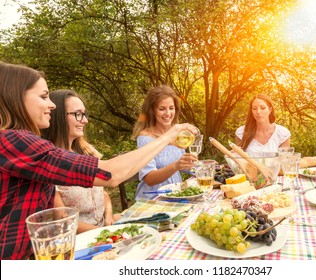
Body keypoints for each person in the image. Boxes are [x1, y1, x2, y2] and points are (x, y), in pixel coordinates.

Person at [0, 61, 198, 259]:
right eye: (43, 96)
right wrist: (167, 137)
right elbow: (110, 175)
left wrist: (111, 219)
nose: (51, 104)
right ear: (15, 98)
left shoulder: (29, 145)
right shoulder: (13, 141)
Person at [40, 89, 121, 233]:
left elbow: (102, 193)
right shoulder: (49, 161)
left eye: (84, 114)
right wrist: (107, 233)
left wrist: (108, 215)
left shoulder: (87, 151)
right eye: (77, 114)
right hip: (78, 242)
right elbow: (63, 218)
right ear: (58, 117)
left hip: (103, 230)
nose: (85, 120)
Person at [131, 85, 197, 200]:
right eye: (162, 109)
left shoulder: (177, 132)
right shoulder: (145, 138)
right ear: (152, 111)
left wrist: (203, 166)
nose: (168, 113)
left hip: (176, 195)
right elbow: (149, 179)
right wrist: (176, 165)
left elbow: (185, 166)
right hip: (154, 199)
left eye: (171, 108)